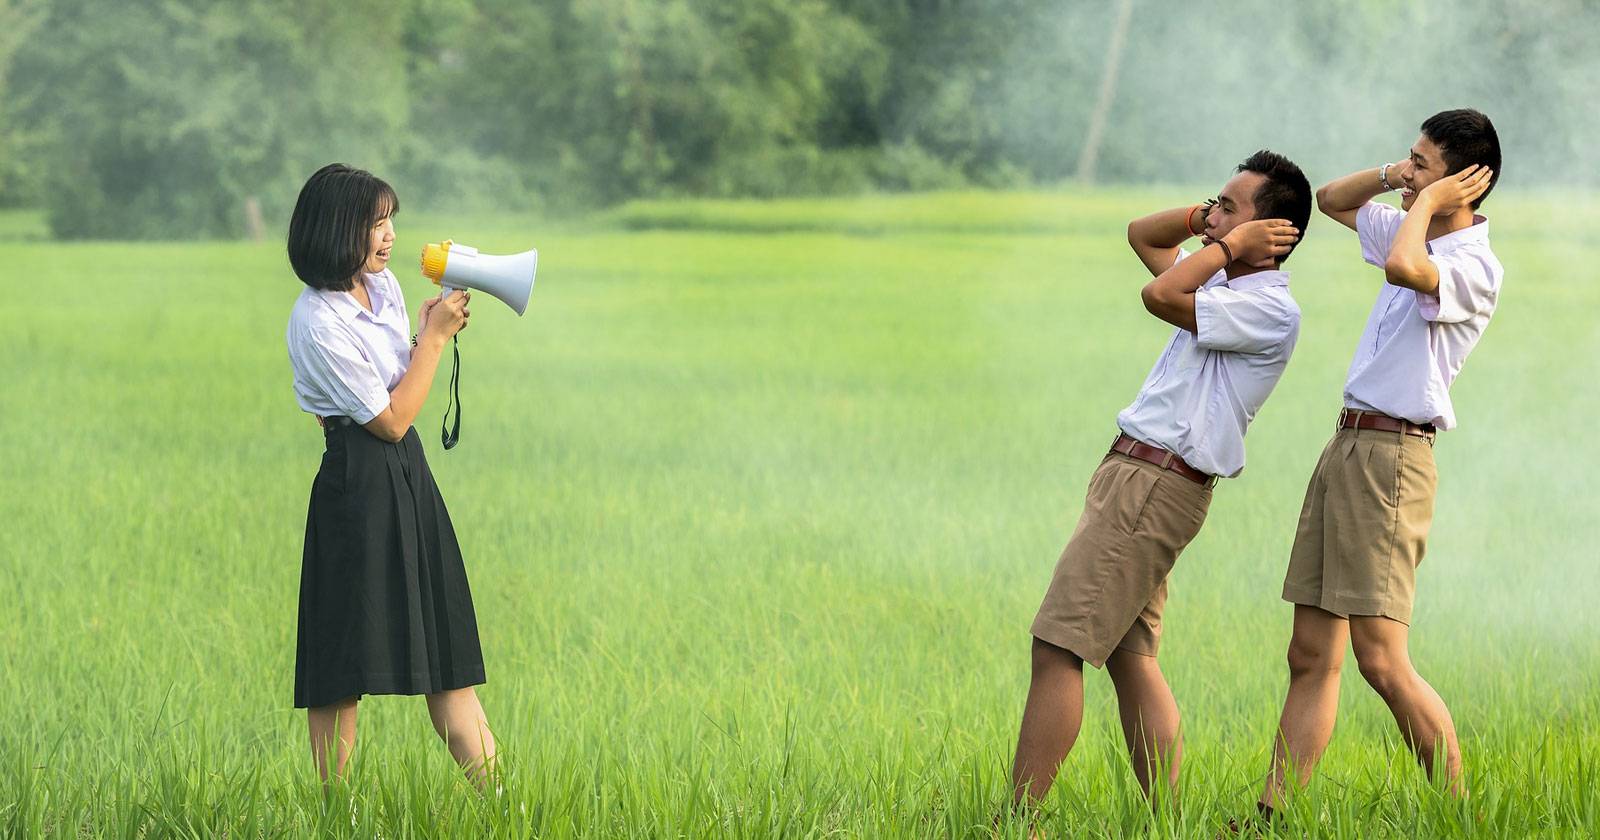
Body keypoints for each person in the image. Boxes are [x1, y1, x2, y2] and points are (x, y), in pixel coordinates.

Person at [1009, 151, 1310, 814]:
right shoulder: (1223, 286)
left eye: (1231, 206)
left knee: (1058, 645)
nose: (1212, 217)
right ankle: (1168, 822)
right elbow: (1142, 235)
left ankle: (1017, 823)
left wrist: (1227, 243)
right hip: (1141, 476)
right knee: (1129, 655)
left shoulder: (1266, 308)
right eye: (1214, 204)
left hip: (1154, 482)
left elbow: (1158, 295)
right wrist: (1213, 222)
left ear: (1271, 234)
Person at [1251, 108, 1502, 824]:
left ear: (1459, 185)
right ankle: (1275, 815)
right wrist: (1402, 179)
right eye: (1409, 158)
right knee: (1310, 652)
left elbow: (1403, 266)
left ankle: (1457, 815)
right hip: (1350, 446)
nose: (1406, 171)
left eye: (1422, 162)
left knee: (1381, 659)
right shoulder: (1411, 221)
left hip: (1394, 457)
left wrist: (1425, 201)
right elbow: (1332, 200)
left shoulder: (1473, 265)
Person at [284, 163, 496, 785]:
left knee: (447, 655)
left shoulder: (383, 290)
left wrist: (428, 335)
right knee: (341, 665)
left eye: (390, 221)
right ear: (336, 230)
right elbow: (392, 419)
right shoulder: (318, 323)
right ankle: (336, 813)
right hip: (357, 485)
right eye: (376, 223)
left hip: (408, 477)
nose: (389, 236)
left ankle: (506, 809)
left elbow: (402, 390)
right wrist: (432, 340)